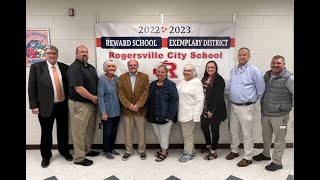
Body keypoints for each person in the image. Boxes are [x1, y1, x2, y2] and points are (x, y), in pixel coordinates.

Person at [28, 45, 73, 168]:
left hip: (62, 105)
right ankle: (46, 156)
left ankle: (64, 151)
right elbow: (31, 87)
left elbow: (69, 87)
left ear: (57, 54)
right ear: (45, 55)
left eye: (54, 53)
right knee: (46, 132)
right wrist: (33, 106)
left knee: (63, 130)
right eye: (49, 53)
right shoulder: (36, 67)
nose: (51, 55)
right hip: (45, 106)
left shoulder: (65, 68)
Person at [253, 55, 294, 171]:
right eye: (273, 63)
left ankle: (277, 162)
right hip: (266, 113)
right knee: (266, 136)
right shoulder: (267, 75)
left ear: (284, 64)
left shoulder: (289, 78)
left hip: (281, 116)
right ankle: (266, 154)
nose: (275, 65)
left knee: (279, 138)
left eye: (278, 63)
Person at [226, 47, 265, 167]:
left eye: (244, 55)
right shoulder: (234, 70)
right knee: (233, 130)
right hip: (233, 105)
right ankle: (235, 150)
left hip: (246, 107)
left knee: (247, 133)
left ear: (249, 56)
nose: (242, 57)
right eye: (240, 55)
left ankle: (248, 157)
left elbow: (261, 89)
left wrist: (250, 101)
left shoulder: (254, 71)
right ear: (237, 56)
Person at [67, 45, 99, 166]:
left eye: (86, 51)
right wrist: (93, 98)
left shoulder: (90, 67)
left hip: (91, 104)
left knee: (89, 130)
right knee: (79, 132)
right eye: (81, 52)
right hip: (80, 105)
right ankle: (79, 158)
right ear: (76, 53)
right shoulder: (75, 68)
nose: (84, 53)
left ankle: (86, 150)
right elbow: (79, 88)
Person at [118, 59, 149, 161]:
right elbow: (120, 92)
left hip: (140, 110)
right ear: (127, 66)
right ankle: (128, 150)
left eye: (134, 65)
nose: (132, 67)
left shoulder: (144, 77)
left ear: (137, 66)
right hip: (127, 110)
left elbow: (145, 92)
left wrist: (138, 105)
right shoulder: (122, 78)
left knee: (141, 132)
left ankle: (141, 150)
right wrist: (129, 105)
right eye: (130, 65)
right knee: (128, 132)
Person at [146, 65, 179, 162]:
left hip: (165, 116)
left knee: (164, 135)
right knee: (158, 135)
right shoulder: (152, 84)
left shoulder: (170, 84)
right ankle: (164, 148)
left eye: (162, 72)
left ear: (166, 73)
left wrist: (170, 116)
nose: (160, 74)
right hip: (153, 115)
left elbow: (174, 100)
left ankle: (164, 153)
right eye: (158, 72)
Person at [177, 64, 205, 162]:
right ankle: (190, 150)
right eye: (184, 70)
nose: (186, 72)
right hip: (181, 112)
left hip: (189, 114)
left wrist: (196, 116)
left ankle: (188, 154)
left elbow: (200, 99)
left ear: (193, 72)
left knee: (187, 135)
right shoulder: (182, 81)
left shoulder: (196, 82)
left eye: (188, 70)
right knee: (186, 134)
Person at [200, 61, 227, 160]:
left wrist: (211, 110)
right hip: (204, 109)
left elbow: (219, 97)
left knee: (214, 130)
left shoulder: (219, 80)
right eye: (208, 67)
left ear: (216, 68)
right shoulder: (205, 78)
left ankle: (213, 151)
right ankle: (208, 146)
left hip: (215, 110)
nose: (210, 69)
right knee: (204, 127)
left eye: (212, 67)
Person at [97, 60, 121, 159]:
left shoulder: (116, 78)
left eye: (113, 66)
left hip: (117, 110)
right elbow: (100, 97)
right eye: (109, 66)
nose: (111, 68)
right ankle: (106, 150)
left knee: (114, 131)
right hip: (106, 111)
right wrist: (103, 112)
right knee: (107, 132)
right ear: (105, 68)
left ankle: (111, 148)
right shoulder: (102, 80)